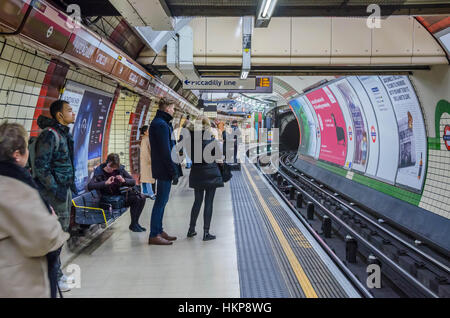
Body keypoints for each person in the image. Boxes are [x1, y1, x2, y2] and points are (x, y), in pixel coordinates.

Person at [0, 122, 69, 298]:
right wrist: (52, 219)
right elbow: (45, 238)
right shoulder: (15, 188)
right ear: (17, 155)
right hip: (17, 283)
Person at [33, 99, 76, 292]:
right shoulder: (50, 136)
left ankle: (54, 272)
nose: (72, 113)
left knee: (61, 232)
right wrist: (55, 189)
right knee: (54, 234)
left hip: (63, 189)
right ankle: (53, 276)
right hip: (54, 193)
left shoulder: (63, 134)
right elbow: (41, 167)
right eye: (69, 110)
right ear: (59, 115)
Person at [148, 98, 182, 245]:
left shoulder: (161, 123)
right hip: (163, 170)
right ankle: (154, 234)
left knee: (163, 201)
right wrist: (173, 170)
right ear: (167, 108)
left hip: (162, 169)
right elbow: (165, 152)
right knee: (160, 202)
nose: (173, 111)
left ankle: (159, 230)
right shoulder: (161, 125)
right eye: (173, 108)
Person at [87, 153, 147, 232]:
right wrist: (105, 183)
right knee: (137, 198)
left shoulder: (119, 170)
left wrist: (124, 180)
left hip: (119, 197)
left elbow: (132, 182)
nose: (112, 170)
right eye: (110, 167)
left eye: (114, 168)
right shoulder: (99, 172)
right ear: (107, 163)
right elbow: (90, 186)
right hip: (107, 200)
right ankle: (134, 224)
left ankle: (134, 223)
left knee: (141, 197)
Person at [187, 116, 224, 241]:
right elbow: (217, 155)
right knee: (209, 202)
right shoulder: (210, 138)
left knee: (197, 201)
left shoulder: (190, 138)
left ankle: (191, 230)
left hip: (197, 172)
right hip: (210, 173)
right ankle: (206, 233)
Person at [139, 125, 156, 200]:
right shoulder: (146, 139)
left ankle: (145, 192)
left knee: (145, 178)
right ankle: (151, 194)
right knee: (148, 178)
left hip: (145, 161)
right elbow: (146, 152)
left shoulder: (145, 139)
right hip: (147, 162)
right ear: (145, 132)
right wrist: (151, 161)